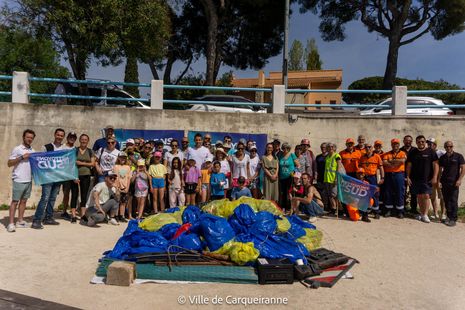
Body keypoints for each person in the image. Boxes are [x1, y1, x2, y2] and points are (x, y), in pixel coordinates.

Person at [32, 128, 66, 229]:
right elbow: (41, 161)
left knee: (52, 198)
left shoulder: (64, 149)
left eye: (61, 135)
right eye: (58, 135)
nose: (59, 137)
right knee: (45, 198)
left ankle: (48, 217)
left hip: (58, 177)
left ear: (63, 137)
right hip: (47, 177)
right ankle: (36, 220)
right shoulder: (46, 147)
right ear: (55, 135)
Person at [7, 129, 36, 232]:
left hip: (28, 179)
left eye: (31, 138)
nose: (29, 139)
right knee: (15, 201)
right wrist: (21, 157)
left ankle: (20, 221)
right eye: (28, 137)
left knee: (24, 201)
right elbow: (9, 163)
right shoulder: (17, 149)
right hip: (18, 179)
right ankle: (10, 223)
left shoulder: (33, 151)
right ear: (23, 137)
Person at [406, 135, 439, 223]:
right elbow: (409, 165)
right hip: (415, 178)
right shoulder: (413, 152)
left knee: (426, 195)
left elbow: (436, 165)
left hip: (427, 178)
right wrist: (408, 177)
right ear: (416, 143)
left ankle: (425, 214)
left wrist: (435, 177)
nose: (421, 143)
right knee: (419, 196)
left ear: (425, 142)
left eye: (422, 141)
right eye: (419, 142)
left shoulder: (431, 152)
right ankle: (421, 214)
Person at [438, 141, 465, 227]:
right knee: (446, 200)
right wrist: (438, 181)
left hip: (454, 182)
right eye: (447, 146)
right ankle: (449, 217)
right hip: (444, 182)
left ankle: (453, 219)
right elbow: (440, 171)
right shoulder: (442, 158)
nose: (448, 148)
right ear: (445, 147)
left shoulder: (459, 156)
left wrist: (459, 180)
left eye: (450, 146)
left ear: (452, 147)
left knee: (453, 200)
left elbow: (463, 169)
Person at [71, 134, 95, 223]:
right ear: (79, 140)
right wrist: (74, 176)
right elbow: (71, 163)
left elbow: (92, 164)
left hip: (86, 175)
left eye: (85, 139)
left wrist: (80, 163)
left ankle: (83, 215)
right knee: (74, 195)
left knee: (84, 195)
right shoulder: (74, 150)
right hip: (75, 175)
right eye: (82, 139)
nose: (84, 141)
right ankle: (73, 215)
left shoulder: (90, 151)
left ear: (88, 141)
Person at [382, 139, 407, 218]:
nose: (395, 145)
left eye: (396, 144)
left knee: (400, 192)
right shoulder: (387, 153)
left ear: (399, 145)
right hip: (389, 174)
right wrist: (396, 162)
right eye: (393, 144)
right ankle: (388, 210)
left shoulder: (403, 153)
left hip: (399, 174)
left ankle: (400, 211)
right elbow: (384, 162)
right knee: (388, 192)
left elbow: (402, 161)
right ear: (391, 145)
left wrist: (391, 161)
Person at [359, 142, 384, 219]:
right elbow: (360, 168)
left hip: (373, 177)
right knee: (364, 195)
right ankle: (365, 212)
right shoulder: (362, 157)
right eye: (366, 147)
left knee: (375, 194)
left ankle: (376, 212)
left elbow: (381, 168)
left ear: (372, 148)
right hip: (365, 178)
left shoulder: (377, 157)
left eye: (369, 147)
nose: (368, 148)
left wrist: (382, 178)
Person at [427, 137, 446, 220]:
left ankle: (443, 214)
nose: (428, 145)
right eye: (428, 143)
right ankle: (435, 213)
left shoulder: (442, 152)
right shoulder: (427, 152)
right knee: (432, 196)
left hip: (441, 177)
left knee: (442, 196)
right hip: (431, 177)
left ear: (435, 145)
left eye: (430, 144)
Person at [61, 131, 78, 220]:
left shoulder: (76, 149)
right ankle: (64, 211)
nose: (72, 138)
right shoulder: (62, 147)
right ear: (67, 138)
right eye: (70, 137)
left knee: (74, 194)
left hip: (74, 174)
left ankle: (73, 212)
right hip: (65, 174)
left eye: (74, 137)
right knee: (66, 193)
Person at [278, 142, 300, 211]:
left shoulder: (292, 155)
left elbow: (298, 165)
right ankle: (284, 206)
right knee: (283, 193)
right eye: (284, 148)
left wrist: (294, 172)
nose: (285, 149)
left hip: (290, 177)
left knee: (289, 192)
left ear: (289, 148)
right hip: (282, 177)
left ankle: (290, 207)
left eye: (287, 148)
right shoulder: (280, 155)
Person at [401, 135, 418, 214]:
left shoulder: (416, 150)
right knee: (403, 192)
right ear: (403, 141)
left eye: (410, 140)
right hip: (402, 174)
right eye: (406, 140)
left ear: (412, 141)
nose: (408, 142)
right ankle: (402, 208)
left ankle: (413, 209)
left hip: (414, 174)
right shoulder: (400, 150)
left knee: (413, 192)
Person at [324, 143, 342, 214]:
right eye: (329, 147)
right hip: (327, 178)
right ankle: (333, 209)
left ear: (334, 148)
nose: (330, 148)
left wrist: (336, 178)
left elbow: (339, 166)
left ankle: (340, 209)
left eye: (332, 146)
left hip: (334, 179)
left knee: (335, 196)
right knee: (330, 196)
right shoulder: (327, 157)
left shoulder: (336, 156)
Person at [113, 152, 131, 222]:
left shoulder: (128, 167)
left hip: (125, 187)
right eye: (121, 157)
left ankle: (122, 215)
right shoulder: (116, 166)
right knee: (117, 201)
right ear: (118, 158)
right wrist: (116, 187)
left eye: (124, 157)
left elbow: (129, 178)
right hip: (117, 187)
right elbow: (114, 177)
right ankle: (116, 215)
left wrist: (127, 187)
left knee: (123, 202)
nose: (122, 159)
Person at [315, 142, 328, 207]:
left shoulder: (329, 156)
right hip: (320, 177)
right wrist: (315, 173)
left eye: (324, 147)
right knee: (320, 192)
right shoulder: (318, 157)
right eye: (322, 147)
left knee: (328, 192)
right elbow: (316, 166)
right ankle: (322, 205)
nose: (323, 149)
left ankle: (329, 206)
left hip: (328, 177)